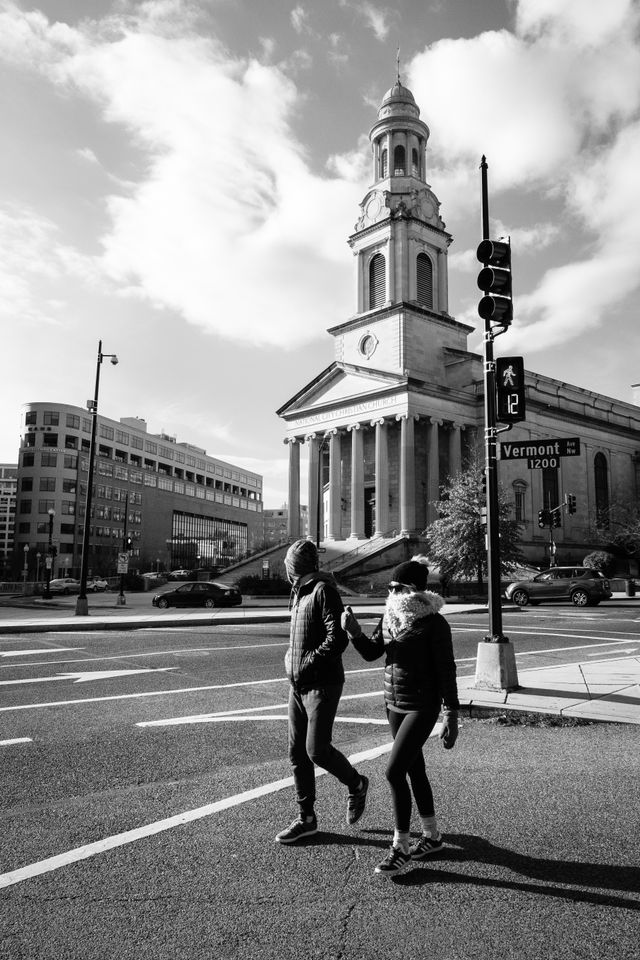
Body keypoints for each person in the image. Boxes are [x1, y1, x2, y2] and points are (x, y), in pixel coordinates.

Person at [341, 557, 459, 876]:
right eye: (390, 587)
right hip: (393, 702)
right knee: (415, 769)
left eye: (396, 587)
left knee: (394, 772)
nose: (390, 592)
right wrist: (354, 633)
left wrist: (451, 714)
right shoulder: (391, 615)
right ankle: (432, 836)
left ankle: (401, 846)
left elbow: (447, 671)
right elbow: (372, 652)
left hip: (422, 705)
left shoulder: (434, 624)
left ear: (412, 590)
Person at [275, 539, 369, 844]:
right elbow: (304, 638)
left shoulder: (322, 590)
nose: (287, 572)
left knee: (316, 750)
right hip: (298, 684)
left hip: (322, 683)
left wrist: (306, 662)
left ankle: (356, 784)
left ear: (295, 567)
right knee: (296, 753)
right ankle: (307, 819)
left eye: (289, 566)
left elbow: (337, 639)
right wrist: (292, 658)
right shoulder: (300, 594)